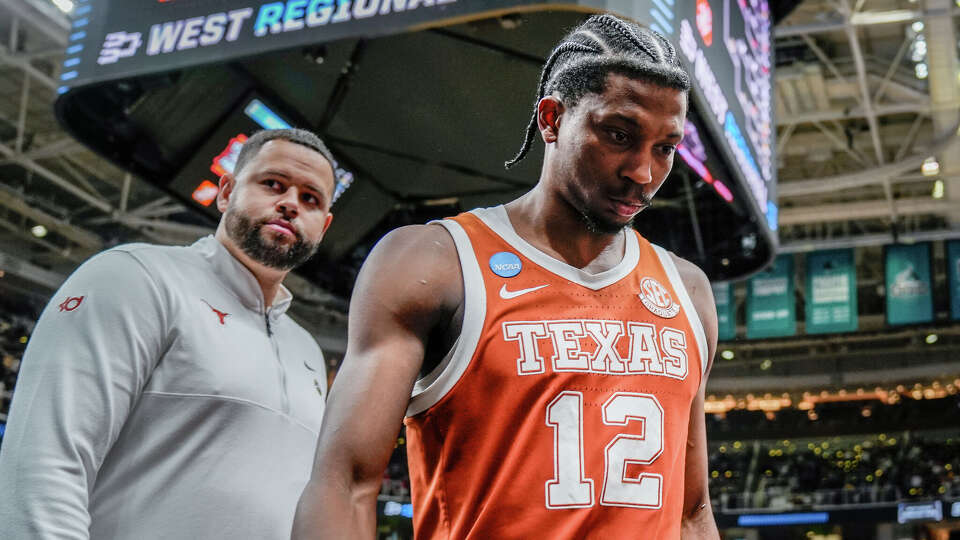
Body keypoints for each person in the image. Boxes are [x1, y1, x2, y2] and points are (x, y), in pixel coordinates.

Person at [294, 14, 720, 539]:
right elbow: (344, 483)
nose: (643, 172)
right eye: (618, 134)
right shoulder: (434, 262)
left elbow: (691, 511)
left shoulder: (687, 291)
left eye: (665, 147)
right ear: (552, 119)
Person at [0, 128, 337, 539]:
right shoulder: (134, 276)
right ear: (227, 191)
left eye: (311, 199)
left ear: (324, 226)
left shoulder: (307, 351)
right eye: (273, 184)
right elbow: (42, 464)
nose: (289, 204)